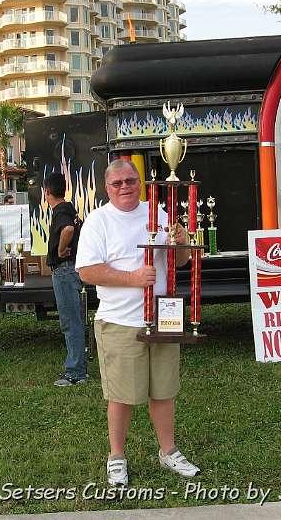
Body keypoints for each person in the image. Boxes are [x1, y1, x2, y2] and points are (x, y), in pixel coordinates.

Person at [76, 159, 200, 486]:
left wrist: (182, 241)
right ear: (108, 188)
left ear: (140, 183)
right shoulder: (97, 222)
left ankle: (168, 451)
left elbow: (182, 261)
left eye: (130, 180)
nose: (125, 187)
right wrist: (132, 277)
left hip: (162, 318)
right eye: (117, 183)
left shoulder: (157, 214)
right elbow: (87, 271)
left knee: (164, 390)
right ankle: (116, 457)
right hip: (120, 321)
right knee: (122, 396)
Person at [44, 172, 86, 387]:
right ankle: (77, 367)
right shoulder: (68, 208)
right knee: (74, 320)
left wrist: (60, 250)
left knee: (70, 322)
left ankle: (76, 372)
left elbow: (68, 229)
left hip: (65, 270)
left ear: (47, 192)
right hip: (71, 270)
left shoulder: (61, 211)